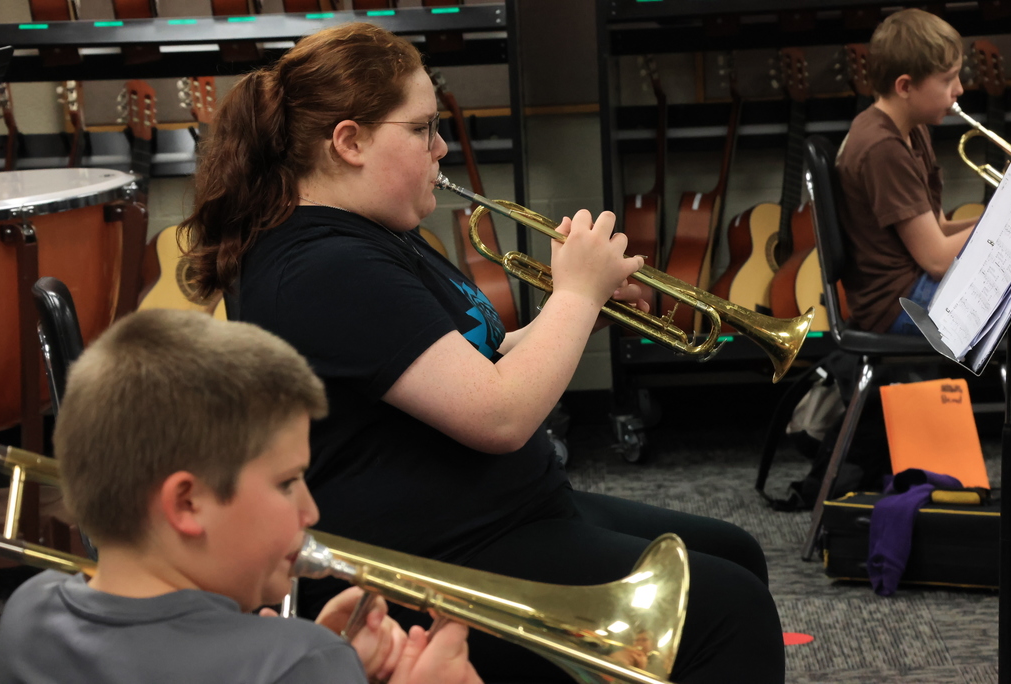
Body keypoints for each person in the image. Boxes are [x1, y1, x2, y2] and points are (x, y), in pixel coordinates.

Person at [180, 22, 785, 684]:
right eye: (421, 130)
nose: (441, 146)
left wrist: (585, 314)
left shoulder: (371, 234)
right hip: (433, 558)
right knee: (732, 612)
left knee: (734, 552)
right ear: (349, 142)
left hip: (493, 511)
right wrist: (575, 297)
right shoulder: (323, 267)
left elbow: (466, 364)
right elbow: (497, 414)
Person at [0, 309, 481, 684]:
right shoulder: (300, 662)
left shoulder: (26, 612)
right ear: (187, 504)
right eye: (287, 482)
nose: (310, 510)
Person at [837, 8, 978, 335]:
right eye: (947, 80)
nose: (959, 90)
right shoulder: (882, 148)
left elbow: (939, 227)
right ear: (905, 86)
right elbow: (939, 260)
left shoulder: (911, 129)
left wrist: (998, 219)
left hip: (915, 285)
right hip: (900, 303)